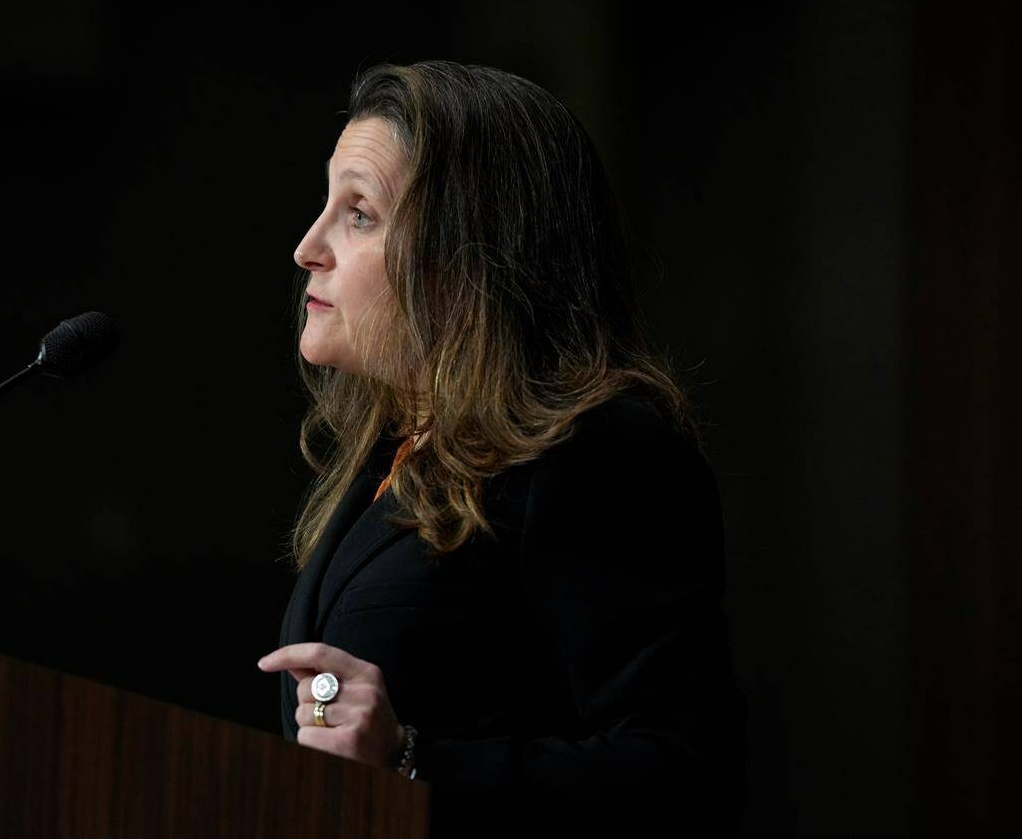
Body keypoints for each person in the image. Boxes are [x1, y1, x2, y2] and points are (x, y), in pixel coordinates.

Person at [256, 60, 747, 836]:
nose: (308, 247)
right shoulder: (397, 448)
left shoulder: (604, 453)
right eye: (327, 204)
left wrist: (415, 759)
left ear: (470, 255)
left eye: (360, 213)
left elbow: (680, 768)